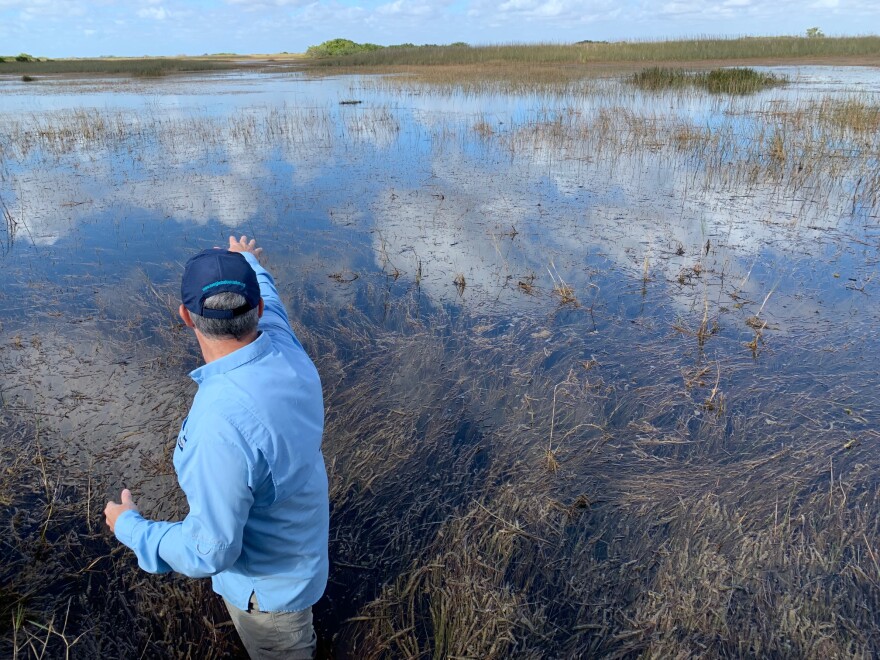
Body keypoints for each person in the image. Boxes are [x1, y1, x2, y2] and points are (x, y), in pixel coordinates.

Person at [104, 235, 329, 659]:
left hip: (269, 596)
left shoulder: (218, 425)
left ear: (186, 317)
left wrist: (130, 529)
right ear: (259, 310)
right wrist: (248, 261)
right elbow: (272, 296)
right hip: (304, 554)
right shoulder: (285, 347)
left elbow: (210, 550)